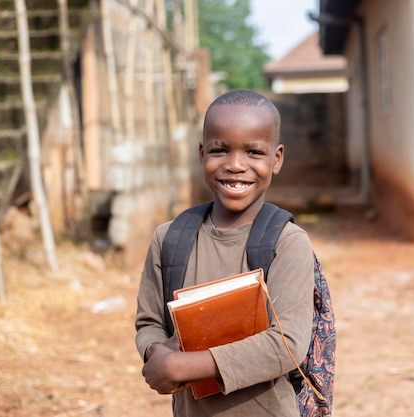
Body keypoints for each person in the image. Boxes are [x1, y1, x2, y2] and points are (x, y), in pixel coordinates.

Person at [135, 89, 315, 416]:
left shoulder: (286, 243)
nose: (235, 165)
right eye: (220, 150)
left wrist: (187, 366)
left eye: (253, 152)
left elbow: (287, 345)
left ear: (276, 159)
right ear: (202, 153)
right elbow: (148, 322)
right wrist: (155, 354)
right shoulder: (169, 239)